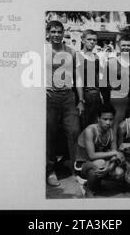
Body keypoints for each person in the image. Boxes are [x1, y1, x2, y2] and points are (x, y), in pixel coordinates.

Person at [46, 20, 84, 187]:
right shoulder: (43, 51)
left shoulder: (71, 51)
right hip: (50, 96)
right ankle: (50, 170)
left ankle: (76, 169)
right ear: (47, 32)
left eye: (59, 32)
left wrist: (81, 99)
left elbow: (78, 77)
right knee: (50, 134)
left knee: (74, 130)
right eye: (53, 31)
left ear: (63, 33)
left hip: (68, 95)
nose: (56, 35)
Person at [75, 104, 125, 196]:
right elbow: (92, 155)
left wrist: (109, 168)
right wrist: (114, 152)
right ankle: (88, 189)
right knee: (101, 162)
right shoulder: (90, 131)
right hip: (82, 164)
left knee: (119, 173)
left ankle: (96, 183)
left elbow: (115, 156)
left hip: (98, 162)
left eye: (111, 119)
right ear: (98, 118)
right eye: (105, 119)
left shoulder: (111, 131)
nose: (108, 122)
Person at [76, 30, 109, 130]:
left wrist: (101, 95)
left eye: (94, 40)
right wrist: (80, 100)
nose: (92, 42)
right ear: (82, 40)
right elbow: (78, 79)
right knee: (83, 125)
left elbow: (98, 77)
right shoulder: (78, 55)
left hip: (96, 95)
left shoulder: (97, 57)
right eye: (89, 39)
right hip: (84, 94)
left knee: (95, 126)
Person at [108, 35, 130, 133]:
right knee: (116, 125)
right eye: (123, 45)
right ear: (118, 46)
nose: (126, 48)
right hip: (118, 100)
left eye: (128, 45)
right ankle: (114, 147)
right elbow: (106, 85)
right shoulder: (111, 63)